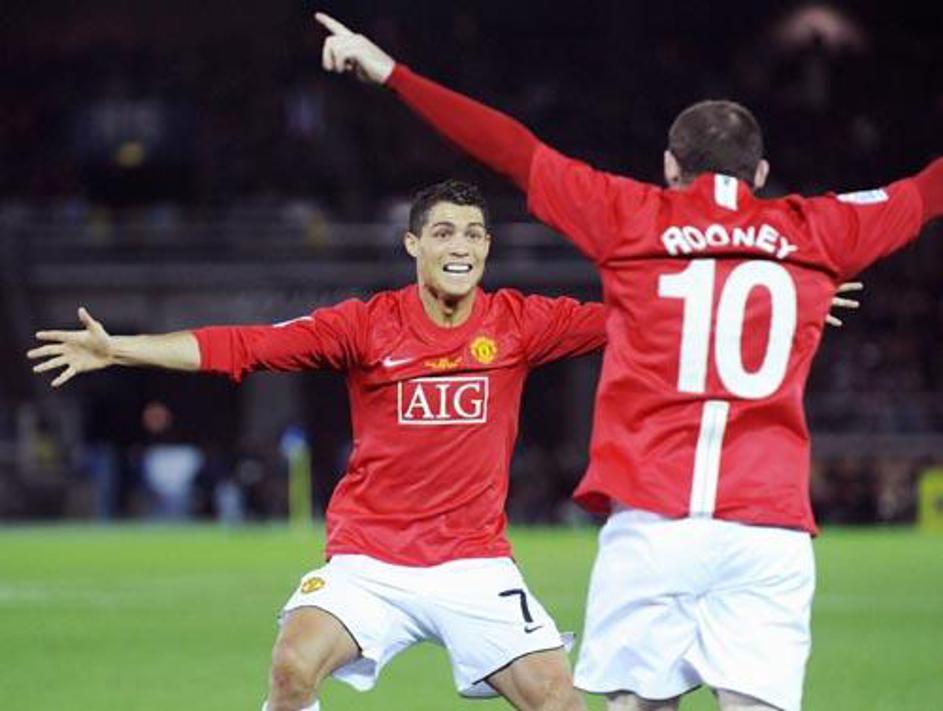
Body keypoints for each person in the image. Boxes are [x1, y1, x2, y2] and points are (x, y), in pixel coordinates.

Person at [313, 12, 943, 711]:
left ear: (670, 167)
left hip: (652, 522)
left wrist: (393, 74)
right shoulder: (817, 231)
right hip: (766, 526)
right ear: (760, 174)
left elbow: (512, 150)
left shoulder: (630, 214)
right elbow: (926, 191)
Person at [29, 180, 603, 711]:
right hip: (370, 561)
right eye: (444, 232)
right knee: (292, 666)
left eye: (474, 234)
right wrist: (118, 349)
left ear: (487, 247)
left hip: (474, 564)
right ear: (413, 244)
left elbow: (628, 322)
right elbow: (247, 346)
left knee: (558, 699)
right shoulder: (367, 326)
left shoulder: (520, 322)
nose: (461, 246)